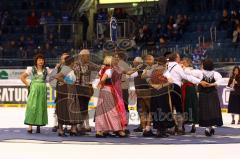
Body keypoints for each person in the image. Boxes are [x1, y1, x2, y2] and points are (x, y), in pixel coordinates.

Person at [165, 52, 202, 135]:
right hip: (175, 88)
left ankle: (170, 127)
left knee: (169, 108)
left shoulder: (166, 65)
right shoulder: (177, 66)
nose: (179, 59)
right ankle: (180, 128)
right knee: (179, 108)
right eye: (178, 57)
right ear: (175, 58)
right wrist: (199, 81)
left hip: (166, 88)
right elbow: (185, 76)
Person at [95, 56, 127, 138]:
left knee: (102, 110)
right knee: (112, 110)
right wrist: (101, 84)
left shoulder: (102, 69)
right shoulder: (109, 70)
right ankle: (118, 129)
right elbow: (103, 79)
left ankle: (101, 130)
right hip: (109, 90)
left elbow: (100, 78)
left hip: (103, 91)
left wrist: (100, 86)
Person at [20, 54, 50, 134]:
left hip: (42, 90)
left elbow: (53, 77)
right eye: (39, 60)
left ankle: (38, 126)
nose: (41, 61)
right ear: (36, 61)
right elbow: (22, 77)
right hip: (34, 90)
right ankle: (30, 127)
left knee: (40, 106)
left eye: (42, 60)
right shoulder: (31, 69)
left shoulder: (46, 69)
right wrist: (29, 85)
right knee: (32, 107)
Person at [73, 49, 99, 133]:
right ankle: (79, 125)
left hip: (87, 88)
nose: (88, 57)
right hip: (77, 88)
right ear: (81, 56)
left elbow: (99, 68)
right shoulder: (75, 64)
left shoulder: (90, 64)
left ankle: (86, 125)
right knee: (78, 107)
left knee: (85, 107)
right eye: (87, 56)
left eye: (89, 56)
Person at [55, 56, 81, 137]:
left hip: (71, 90)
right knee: (64, 109)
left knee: (71, 109)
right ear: (72, 62)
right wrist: (66, 81)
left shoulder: (70, 69)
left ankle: (71, 129)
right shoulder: (66, 69)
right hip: (66, 91)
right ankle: (61, 129)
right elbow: (57, 76)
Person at [150, 57, 175, 138]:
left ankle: (158, 130)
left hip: (154, 93)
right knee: (163, 110)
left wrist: (154, 86)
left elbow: (149, 80)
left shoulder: (153, 70)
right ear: (165, 63)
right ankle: (162, 131)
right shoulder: (165, 71)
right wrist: (163, 85)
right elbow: (171, 81)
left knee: (156, 109)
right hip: (162, 93)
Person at [198, 59, 223, 136]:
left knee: (205, 111)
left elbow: (188, 73)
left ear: (204, 65)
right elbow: (220, 80)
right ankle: (209, 127)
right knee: (213, 111)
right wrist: (212, 84)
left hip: (203, 94)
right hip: (212, 94)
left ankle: (208, 128)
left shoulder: (200, 73)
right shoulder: (215, 73)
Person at [50, 52, 69, 132]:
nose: (64, 60)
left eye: (66, 58)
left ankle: (67, 126)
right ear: (61, 60)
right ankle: (56, 124)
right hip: (60, 89)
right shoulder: (57, 67)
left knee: (68, 107)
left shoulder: (71, 67)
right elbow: (52, 77)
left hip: (69, 89)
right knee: (58, 107)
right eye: (63, 58)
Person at [181, 58, 201, 133]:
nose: (183, 63)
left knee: (191, 105)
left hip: (190, 89)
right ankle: (183, 124)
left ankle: (192, 125)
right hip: (185, 88)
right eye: (183, 62)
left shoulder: (191, 70)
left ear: (188, 63)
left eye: (185, 62)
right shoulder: (183, 69)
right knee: (185, 105)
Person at [140, 55, 158, 137]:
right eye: (152, 59)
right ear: (147, 60)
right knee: (151, 109)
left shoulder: (143, 68)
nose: (153, 60)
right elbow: (144, 77)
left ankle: (144, 129)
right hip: (148, 90)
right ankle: (147, 128)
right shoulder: (151, 68)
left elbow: (142, 76)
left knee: (144, 110)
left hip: (141, 91)